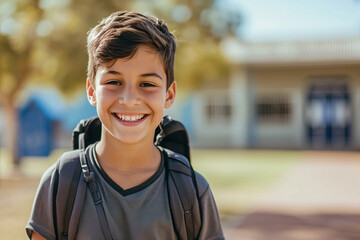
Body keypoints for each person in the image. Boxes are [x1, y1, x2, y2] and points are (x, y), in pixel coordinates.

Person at [26, 11, 224, 240]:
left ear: (169, 95)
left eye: (147, 84)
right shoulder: (61, 182)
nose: (129, 99)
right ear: (92, 91)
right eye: (114, 82)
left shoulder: (192, 189)